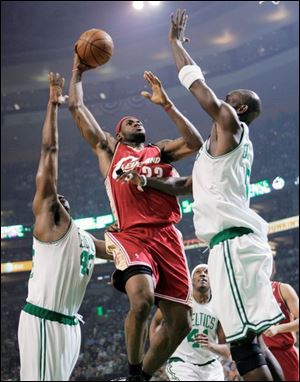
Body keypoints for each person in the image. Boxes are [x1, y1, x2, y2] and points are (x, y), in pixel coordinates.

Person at [118, 9, 286, 381]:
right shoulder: (216, 154)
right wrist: (147, 182)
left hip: (235, 246)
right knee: (251, 342)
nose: (222, 101)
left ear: (238, 108)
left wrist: (174, 44)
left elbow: (198, 88)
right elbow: (182, 186)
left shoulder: (231, 124)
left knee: (243, 346)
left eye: (229, 98)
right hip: (234, 245)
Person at [68, 52, 204, 381]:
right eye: (128, 122)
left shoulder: (160, 149)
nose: (136, 122)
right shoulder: (109, 150)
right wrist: (77, 73)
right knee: (141, 300)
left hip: (168, 236)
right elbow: (77, 109)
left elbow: (196, 142)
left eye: (138, 120)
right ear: (117, 134)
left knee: (181, 323)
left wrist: (167, 104)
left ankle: (139, 376)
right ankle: (131, 369)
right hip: (131, 235)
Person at [17, 73, 112, 381]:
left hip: (71, 325)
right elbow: (49, 151)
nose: (57, 196)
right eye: (53, 195)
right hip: (43, 320)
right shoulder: (48, 222)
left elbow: (121, 251)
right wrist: (53, 106)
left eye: (61, 196)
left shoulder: (83, 238)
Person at [150, 264, 230, 381]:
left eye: (206, 272)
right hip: (182, 363)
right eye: (198, 272)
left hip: (211, 365)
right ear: (191, 281)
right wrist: (155, 347)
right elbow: (156, 321)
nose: (202, 274)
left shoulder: (219, 306)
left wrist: (211, 345)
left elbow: (227, 350)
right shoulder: (180, 300)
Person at [263, 262, 299, 381]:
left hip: (284, 353)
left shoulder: (283, 289)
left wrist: (278, 328)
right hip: (259, 355)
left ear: (271, 269)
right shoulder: (247, 296)